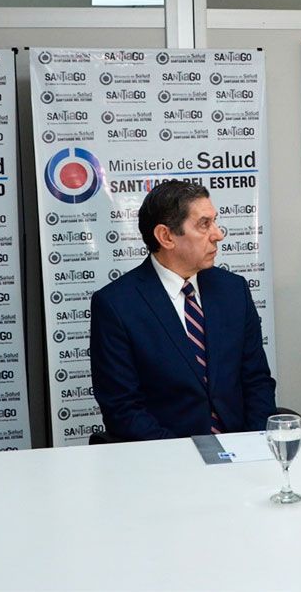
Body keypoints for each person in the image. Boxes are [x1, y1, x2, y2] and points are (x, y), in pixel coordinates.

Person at [90, 180, 276, 440]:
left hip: (241, 447)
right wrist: (185, 456)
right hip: (166, 454)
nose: (218, 234)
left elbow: (257, 381)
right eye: (204, 224)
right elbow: (123, 409)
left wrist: (253, 443)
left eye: (214, 221)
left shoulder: (234, 290)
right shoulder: (116, 305)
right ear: (166, 237)